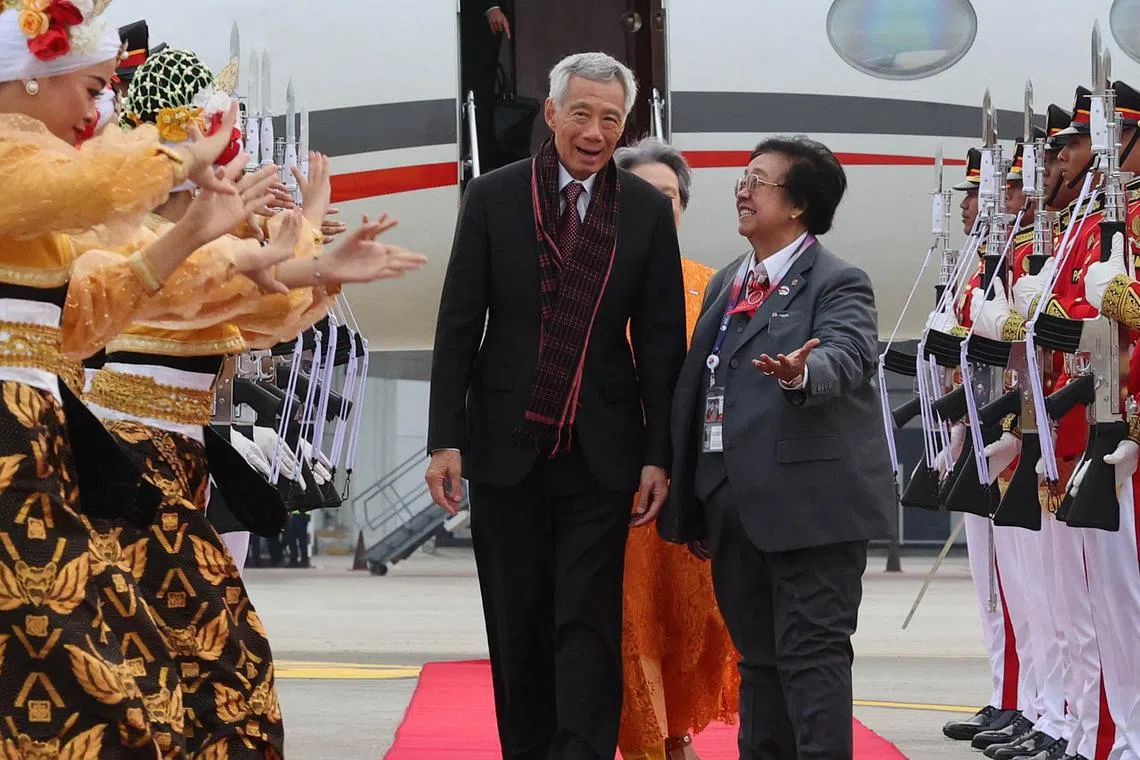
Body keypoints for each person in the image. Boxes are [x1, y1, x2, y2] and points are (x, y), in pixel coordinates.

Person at [0, 0, 271, 752]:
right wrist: (176, 157)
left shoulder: (50, 203)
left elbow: (87, 310)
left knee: (134, 667)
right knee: (118, 677)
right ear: (32, 76)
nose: (99, 116)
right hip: (75, 447)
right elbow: (91, 201)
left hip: (42, 446)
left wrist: (204, 232)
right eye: (92, 90)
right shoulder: (27, 178)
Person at [425, 51, 687, 760]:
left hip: (602, 452)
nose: (595, 132)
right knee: (518, 622)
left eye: (611, 119)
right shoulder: (494, 197)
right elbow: (459, 323)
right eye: (581, 114)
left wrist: (658, 455)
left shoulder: (644, 212)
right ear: (550, 113)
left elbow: (662, 343)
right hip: (505, 446)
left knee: (588, 622)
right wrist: (445, 439)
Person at [657, 135, 893, 760]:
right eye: (743, 177)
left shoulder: (838, 281)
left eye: (759, 181)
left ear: (798, 205)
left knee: (812, 659)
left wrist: (800, 373)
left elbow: (847, 355)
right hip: (734, 506)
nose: (743, 189)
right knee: (758, 663)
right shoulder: (729, 281)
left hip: (811, 511)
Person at [613, 137, 739, 760]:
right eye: (642, 194)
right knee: (629, 621)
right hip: (615, 488)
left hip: (687, 487)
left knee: (694, 622)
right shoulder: (595, 282)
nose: (657, 207)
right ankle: (647, 740)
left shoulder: (712, 286)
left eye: (668, 197)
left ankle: (676, 730)